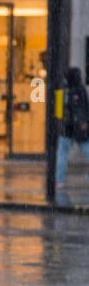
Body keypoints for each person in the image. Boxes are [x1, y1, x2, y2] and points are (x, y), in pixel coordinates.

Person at [56, 66, 89, 197]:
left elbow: (64, 109)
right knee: (86, 150)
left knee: (62, 154)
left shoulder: (66, 89)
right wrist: (83, 122)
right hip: (79, 128)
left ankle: (59, 181)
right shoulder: (79, 90)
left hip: (67, 127)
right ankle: (59, 180)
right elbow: (81, 108)